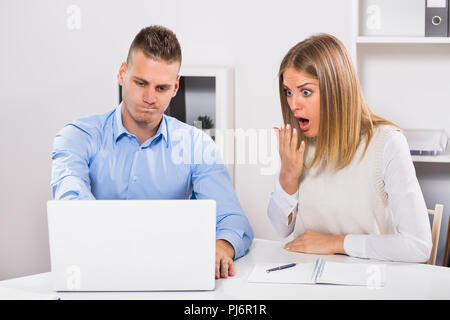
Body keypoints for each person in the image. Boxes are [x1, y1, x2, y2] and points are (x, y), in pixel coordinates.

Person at [51, 25, 254, 279]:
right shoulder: (78, 136)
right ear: (122, 74)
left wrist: (222, 246)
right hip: (96, 273)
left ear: (175, 87)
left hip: (170, 277)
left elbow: (233, 219)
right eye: (141, 83)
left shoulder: (197, 146)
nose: (149, 97)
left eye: (161, 88)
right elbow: (71, 202)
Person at [268, 33, 432, 263]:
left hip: (370, 280)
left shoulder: (387, 143)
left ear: (336, 90)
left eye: (306, 92)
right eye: (288, 92)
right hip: (307, 278)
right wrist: (287, 175)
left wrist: (335, 244)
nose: (294, 104)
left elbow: (418, 246)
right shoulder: (298, 143)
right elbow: (281, 229)